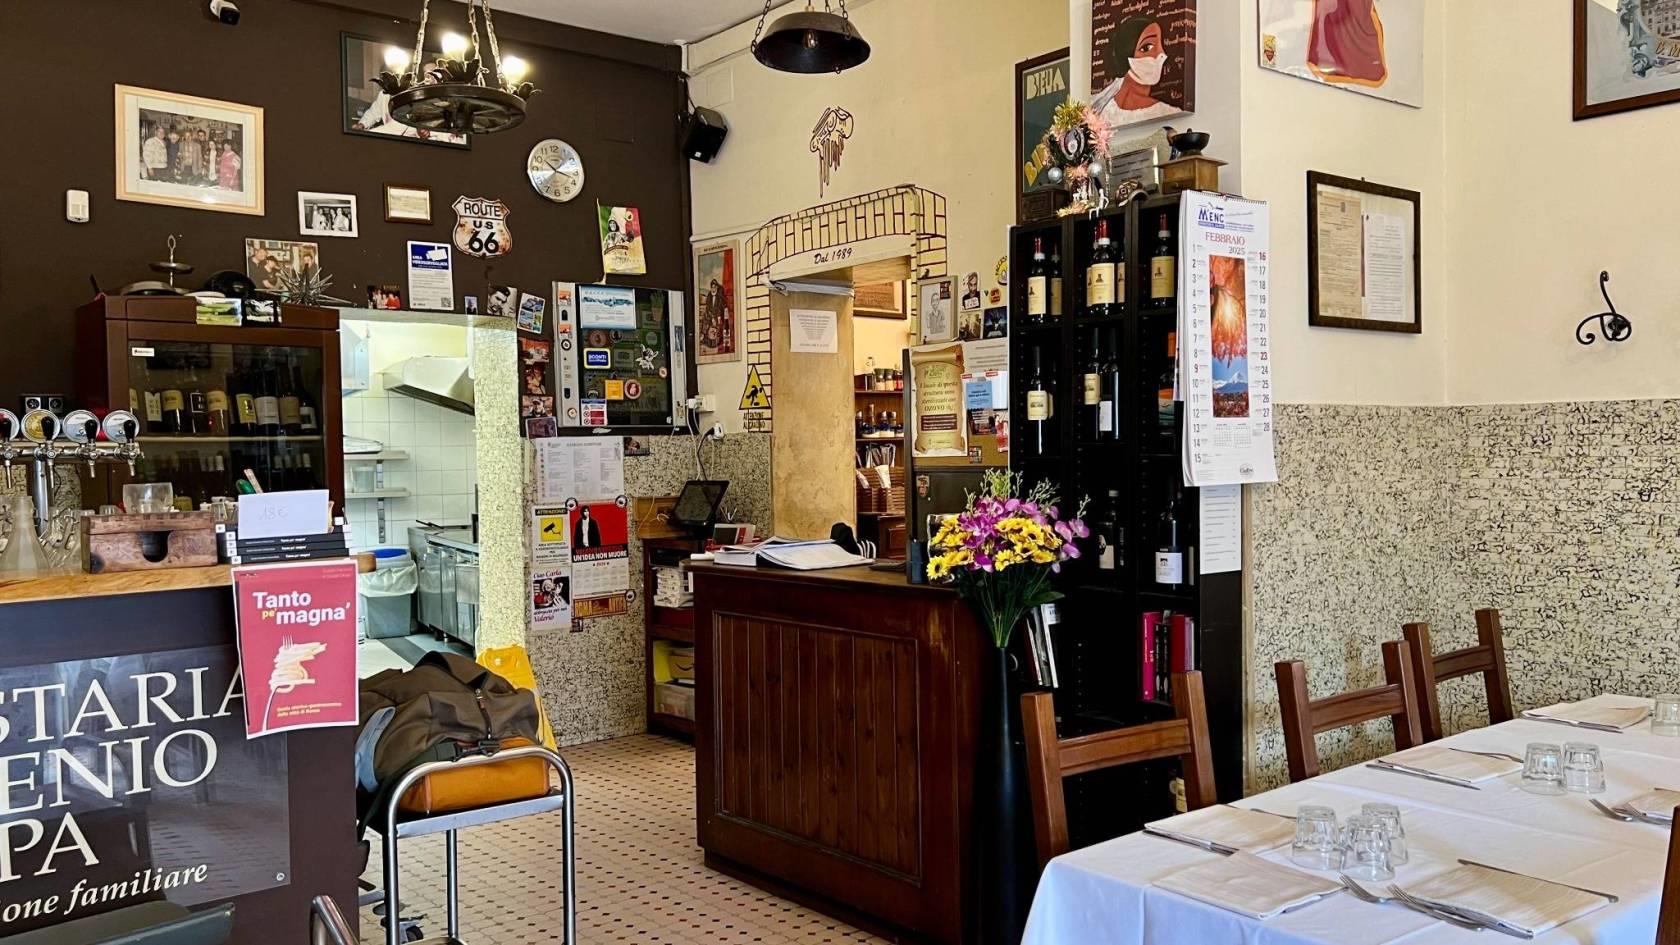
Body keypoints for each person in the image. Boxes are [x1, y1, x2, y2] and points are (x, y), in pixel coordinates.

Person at [1092, 16, 1181, 128]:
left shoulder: (1166, 111)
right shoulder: (1098, 106)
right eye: (1147, 47)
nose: (1161, 53)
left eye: (1161, 45)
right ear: (1126, 54)